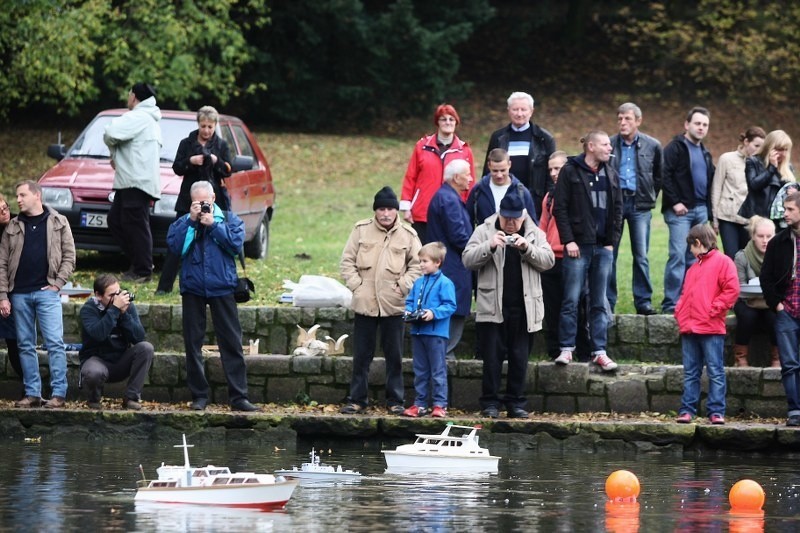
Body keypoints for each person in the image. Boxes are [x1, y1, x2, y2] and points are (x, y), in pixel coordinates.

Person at [166, 180, 260, 412]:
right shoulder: (183, 222)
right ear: (191, 202)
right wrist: (191, 221)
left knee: (231, 343)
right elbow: (175, 248)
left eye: (205, 202)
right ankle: (199, 396)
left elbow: (237, 244)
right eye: (197, 203)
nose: (202, 207)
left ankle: (239, 397)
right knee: (193, 344)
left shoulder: (228, 220)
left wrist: (213, 226)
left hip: (223, 287)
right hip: (193, 288)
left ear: (214, 199)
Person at [462, 191, 554, 419]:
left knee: (519, 358)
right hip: (493, 306)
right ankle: (490, 403)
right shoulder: (484, 230)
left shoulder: (534, 233)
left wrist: (527, 248)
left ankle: (516, 403)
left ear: (523, 215)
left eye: (515, 218)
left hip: (524, 308)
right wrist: (489, 246)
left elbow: (549, 261)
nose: (511, 223)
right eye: (506, 218)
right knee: (491, 360)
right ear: (499, 214)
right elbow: (467, 259)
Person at [340, 186, 422, 414]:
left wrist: (402, 286)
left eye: (390, 209)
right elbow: (347, 262)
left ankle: (395, 401)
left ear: (396, 211)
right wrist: (357, 286)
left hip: (393, 305)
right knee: (361, 356)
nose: (386, 213)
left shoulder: (409, 235)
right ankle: (357, 399)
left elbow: (418, 265)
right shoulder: (360, 230)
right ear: (375, 211)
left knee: (394, 356)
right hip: (365, 304)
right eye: (381, 209)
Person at [0, 180, 76, 408]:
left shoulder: (58, 222)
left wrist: (58, 283)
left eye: (22, 195)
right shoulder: (12, 227)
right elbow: (2, 264)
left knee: (54, 343)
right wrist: (3, 295)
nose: (18, 200)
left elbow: (69, 256)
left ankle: (58, 394)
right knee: (25, 344)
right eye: (17, 196)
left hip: (47, 293)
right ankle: (32, 393)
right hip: (19, 295)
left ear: (37, 195)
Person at [553, 132, 622, 371]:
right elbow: (559, 208)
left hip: (603, 249)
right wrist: (568, 240)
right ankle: (567, 348)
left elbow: (618, 209)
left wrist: (612, 241)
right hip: (577, 248)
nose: (609, 147)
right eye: (605, 144)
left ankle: (599, 351)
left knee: (598, 302)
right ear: (590, 146)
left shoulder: (611, 173)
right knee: (571, 299)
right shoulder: (570, 171)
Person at [157, 106, 233, 295]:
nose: (206, 130)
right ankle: (164, 286)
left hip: (213, 202)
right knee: (179, 240)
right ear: (198, 124)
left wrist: (216, 161)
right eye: (203, 126)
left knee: (215, 242)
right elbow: (176, 168)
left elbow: (230, 170)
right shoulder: (186, 143)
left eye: (210, 127)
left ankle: (219, 282)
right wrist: (191, 161)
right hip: (187, 201)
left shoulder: (221, 145)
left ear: (215, 125)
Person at [675, 224, 739, 425]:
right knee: (691, 372)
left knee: (715, 370)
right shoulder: (694, 268)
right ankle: (687, 409)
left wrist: (715, 309)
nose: (691, 252)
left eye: (691, 248)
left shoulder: (723, 262)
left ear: (697, 243)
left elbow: (732, 289)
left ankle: (716, 411)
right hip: (690, 327)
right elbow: (686, 295)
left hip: (711, 327)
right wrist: (680, 313)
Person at [103, 82, 162, 283]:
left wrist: (113, 149)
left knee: (135, 225)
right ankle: (141, 262)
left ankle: (143, 269)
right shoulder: (148, 118)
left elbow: (110, 133)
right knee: (117, 221)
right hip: (130, 180)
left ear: (134, 96)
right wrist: (116, 154)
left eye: (129, 93)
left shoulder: (138, 116)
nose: (128, 97)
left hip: (135, 181)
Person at [608, 102, 663, 315]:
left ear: (638, 121)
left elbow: (658, 176)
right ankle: (607, 301)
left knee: (641, 255)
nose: (623, 122)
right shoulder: (609, 144)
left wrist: (649, 196)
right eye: (620, 118)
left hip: (640, 205)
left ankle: (643, 302)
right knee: (609, 254)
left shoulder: (653, 145)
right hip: (615, 204)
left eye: (627, 118)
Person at [661, 106, 715, 313]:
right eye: (697, 123)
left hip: (700, 210)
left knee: (696, 258)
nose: (701, 128)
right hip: (680, 212)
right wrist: (675, 202)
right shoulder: (675, 147)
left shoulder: (705, 152)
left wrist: (710, 214)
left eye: (705, 125)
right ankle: (670, 304)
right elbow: (664, 175)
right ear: (687, 125)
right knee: (677, 255)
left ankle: (689, 300)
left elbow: (709, 183)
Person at [539, 151, 591, 361]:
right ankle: (554, 350)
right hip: (551, 259)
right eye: (550, 169)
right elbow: (543, 226)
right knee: (552, 308)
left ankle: (583, 350)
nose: (553, 173)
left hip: (574, 256)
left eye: (557, 168)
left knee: (576, 305)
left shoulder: (579, 193)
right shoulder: (549, 196)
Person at [399, 104, 474, 244]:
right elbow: (411, 176)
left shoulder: (464, 150)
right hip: (423, 211)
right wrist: (407, 206)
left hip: (453, 211)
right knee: (423, 256)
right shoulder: (421, 146)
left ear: (456, 123)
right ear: (437, 122)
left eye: (451, 119)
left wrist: (468, 210)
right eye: (443, 119)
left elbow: (470, 181)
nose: (447, 122)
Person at [79, 274, 155, 410]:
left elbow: (139, 337)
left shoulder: (126, 307)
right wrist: (114, 310)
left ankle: (131, 398)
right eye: (111, 295)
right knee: (93, 372)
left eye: (118, 293)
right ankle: (94, 399)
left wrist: (124, 315)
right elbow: (99, 334)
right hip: (97, 360)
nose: (117, 299)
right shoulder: (88, 310)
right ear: (98, 295)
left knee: (146, 348)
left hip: (121, 360)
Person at [402, 242, 456, 418]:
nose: (421, 264)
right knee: (420, 370)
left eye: (425, 261)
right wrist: (409, 311)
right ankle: (420, 403)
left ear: (437, 262)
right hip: (418, 332)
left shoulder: (445, 283)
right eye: (420, 261)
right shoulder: (418, 282)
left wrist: (433, 313)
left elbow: (450, 306)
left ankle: (440, 404)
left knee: (437, 370)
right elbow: (410, 301)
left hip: (436, 333)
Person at [759, 191, 800, 426]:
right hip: (787, 312)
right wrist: (777, 304)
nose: (785, 213)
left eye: (790, 209)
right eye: (784, 209)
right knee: (790, 365)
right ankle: (795, 410)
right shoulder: (778, 242)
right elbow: (766, 278)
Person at [426, 159, 473, 359]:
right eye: (468, 174)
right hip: (453, 267)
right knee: (452, 311)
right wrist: (478, 248)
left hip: (447, 265)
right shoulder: (449, 200)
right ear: (456, 178)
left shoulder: (444, 197)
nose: (471, 178)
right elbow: (459, 236)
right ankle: (444, 356)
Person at [483, 91, 556, 220]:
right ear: (508, 110)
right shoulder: (498, 137)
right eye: (515, 109)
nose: (519, 113)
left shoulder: (544, 139)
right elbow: (487, 172)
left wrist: (549, 203)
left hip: (534, 203)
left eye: (523, 109)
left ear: (531, 111)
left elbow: (552, 176)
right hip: (502, 200)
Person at [711, 126, 766, 258]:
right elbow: (716, 188)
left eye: (761, 147)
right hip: (727, 218)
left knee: (747, 260)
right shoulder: (726, 159)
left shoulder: (762, 164)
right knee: (731, 258)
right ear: (746, 142)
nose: (758, 150)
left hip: (750, 220)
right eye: (756, 145)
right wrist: (714, 219)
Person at [732, 216, 778, 368]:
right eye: (760, 236)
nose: (765, 240)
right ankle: (740, 358)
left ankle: (777, 358)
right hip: (747, 301)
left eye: (769, 236)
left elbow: (782, 286)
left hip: (770, 301)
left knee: (774, 316)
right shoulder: (742, 256)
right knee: (748, 316)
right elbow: (739, 289)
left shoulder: (780, 255)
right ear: (753, 236)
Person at [466, 148, 537, 227]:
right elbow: (467, 220)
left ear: (509, 164)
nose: (499, 175)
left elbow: (532, 225)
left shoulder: (521, 192)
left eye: (503, 170)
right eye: (495, 171)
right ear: (488, 166)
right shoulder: (478, 190)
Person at [739, 130, 795, 228]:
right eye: (780, 149)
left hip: (780, 219)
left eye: (786, 150)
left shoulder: (788, 167)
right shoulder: (753, 161)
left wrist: (795, 193)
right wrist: (772, 168)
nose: (783, 153)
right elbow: (753, 185)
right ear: (770, 147)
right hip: (757, 217)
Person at [0, 194, 19, 382]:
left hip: (13, 292)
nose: (4, 212)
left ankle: (29, 387)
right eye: (0, 211)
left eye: (5, 207)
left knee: (15, 342)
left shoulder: (17, 226)